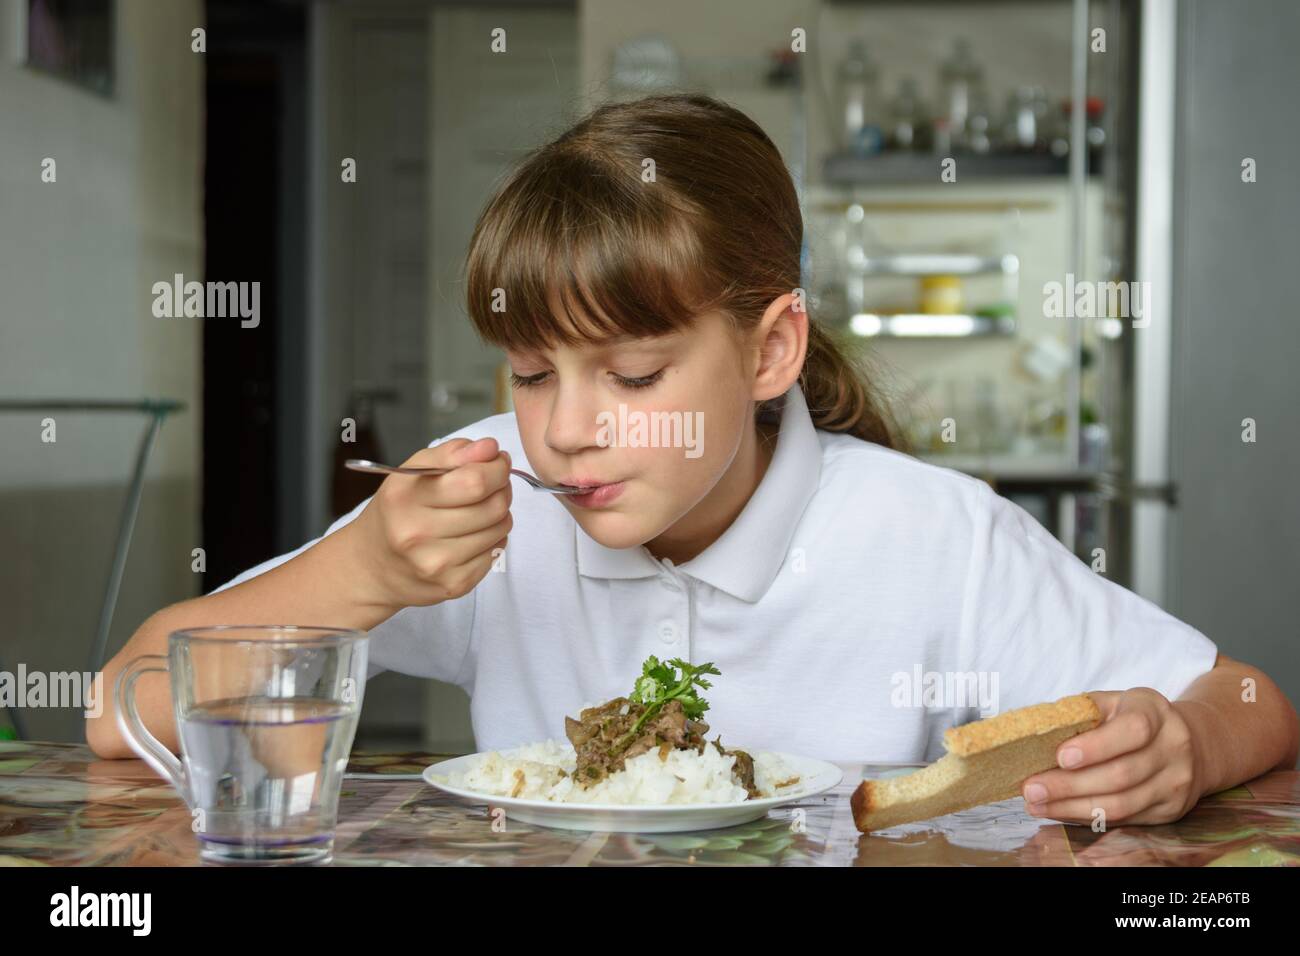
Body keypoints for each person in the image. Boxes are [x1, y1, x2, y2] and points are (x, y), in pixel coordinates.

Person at [90, 93, 1297, 827]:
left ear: (769, 347)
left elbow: (1252, 697)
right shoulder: (489, 500)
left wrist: (1181, 746)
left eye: (632, 376)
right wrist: (364, 571)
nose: (562, 430)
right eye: (528, 369)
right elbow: (119, 707)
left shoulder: (935, 535)